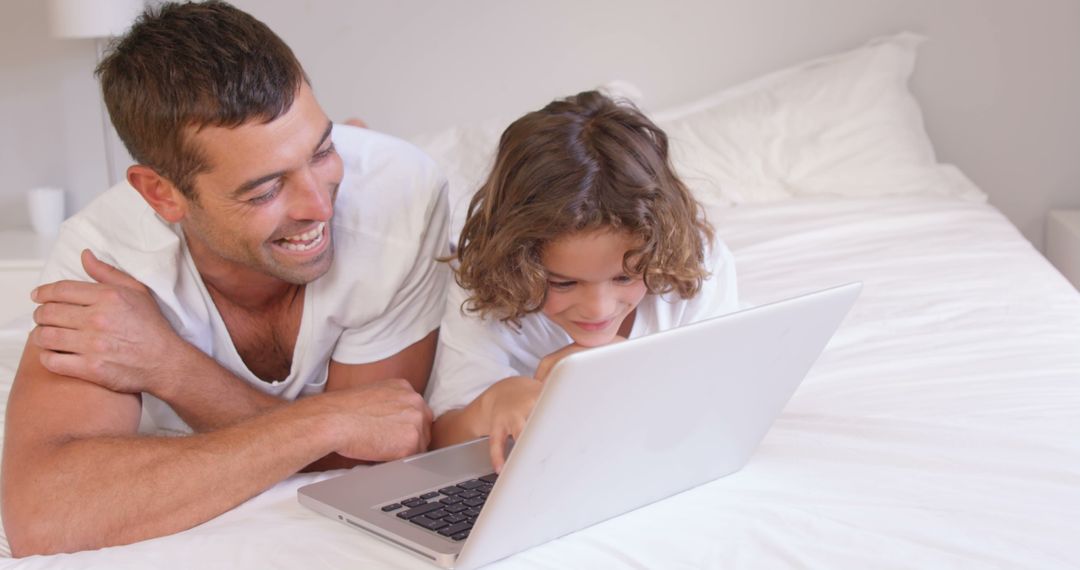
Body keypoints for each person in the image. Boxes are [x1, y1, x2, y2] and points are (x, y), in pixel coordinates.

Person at [0, 1, 449, 557]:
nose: (319, 206)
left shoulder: (400, 196)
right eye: (264, 190)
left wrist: (171, 367)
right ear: (161, 194)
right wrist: (325, 423)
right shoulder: (105, 259)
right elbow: (44, 516)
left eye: (323, 150)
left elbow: (372, 450)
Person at [426, 91, 739, 472]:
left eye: (625, 276)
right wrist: (490, 404)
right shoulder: (483, 284)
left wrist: (630, 372)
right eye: (562, 284)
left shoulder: (692, 263)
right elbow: (440, 441)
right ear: (515, 264)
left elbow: (720, 403)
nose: (598, 309)